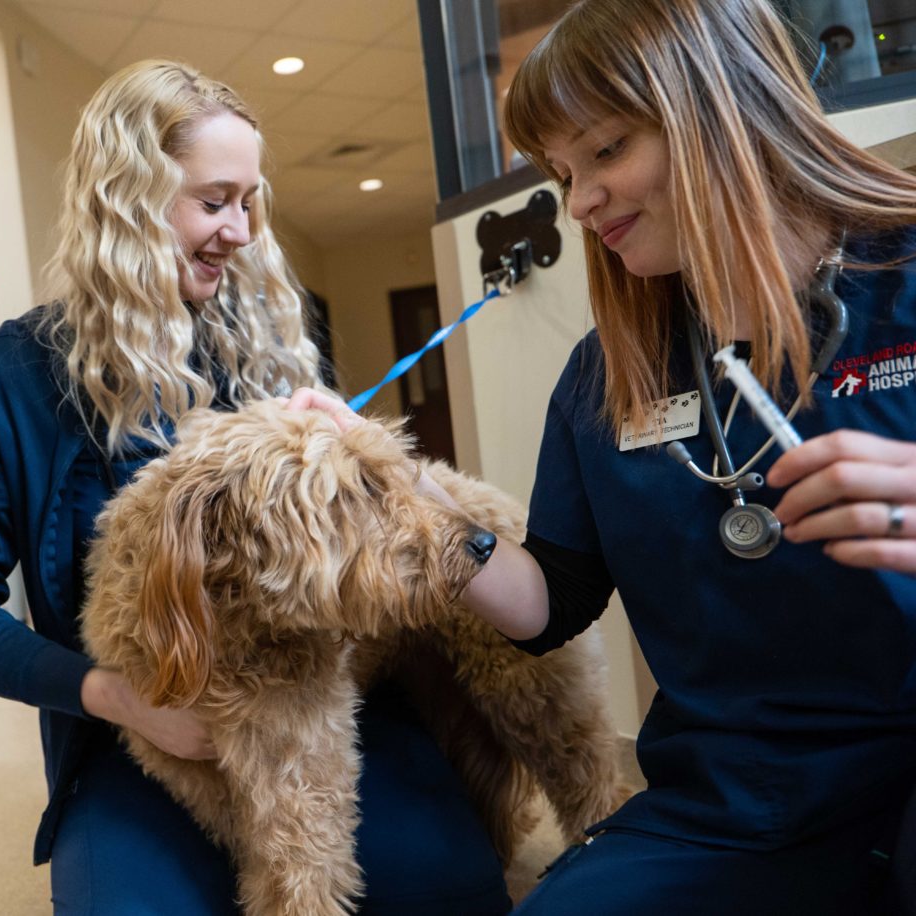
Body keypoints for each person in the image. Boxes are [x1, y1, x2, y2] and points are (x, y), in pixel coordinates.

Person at [287, 0, 916, 912]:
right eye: (562, 172)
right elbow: (550, 603)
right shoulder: (603, 375)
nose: (579, 202)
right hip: (738, 793)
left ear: (721, 107)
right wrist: (406, 485)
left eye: (607, 152)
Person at [0, 59, 512, 915]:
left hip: (307, 709)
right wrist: (121, 700)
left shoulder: (263, 353)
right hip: (135, 734)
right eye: (214, 201)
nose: (241, 230)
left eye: (249, 202)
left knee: (448, 884)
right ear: (126, 200)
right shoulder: (3, 379)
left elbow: (358, 559)